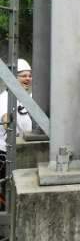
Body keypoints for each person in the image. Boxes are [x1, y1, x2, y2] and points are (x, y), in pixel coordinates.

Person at [0, 59, 33, 202]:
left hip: (25, 152)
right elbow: (5, 119)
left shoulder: (30, 98)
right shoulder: (3, 99)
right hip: (5, 156)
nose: (28, 79)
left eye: (29, 75)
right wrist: (7, 118)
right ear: (14, 78)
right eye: (23, 76)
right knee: (6, 196)